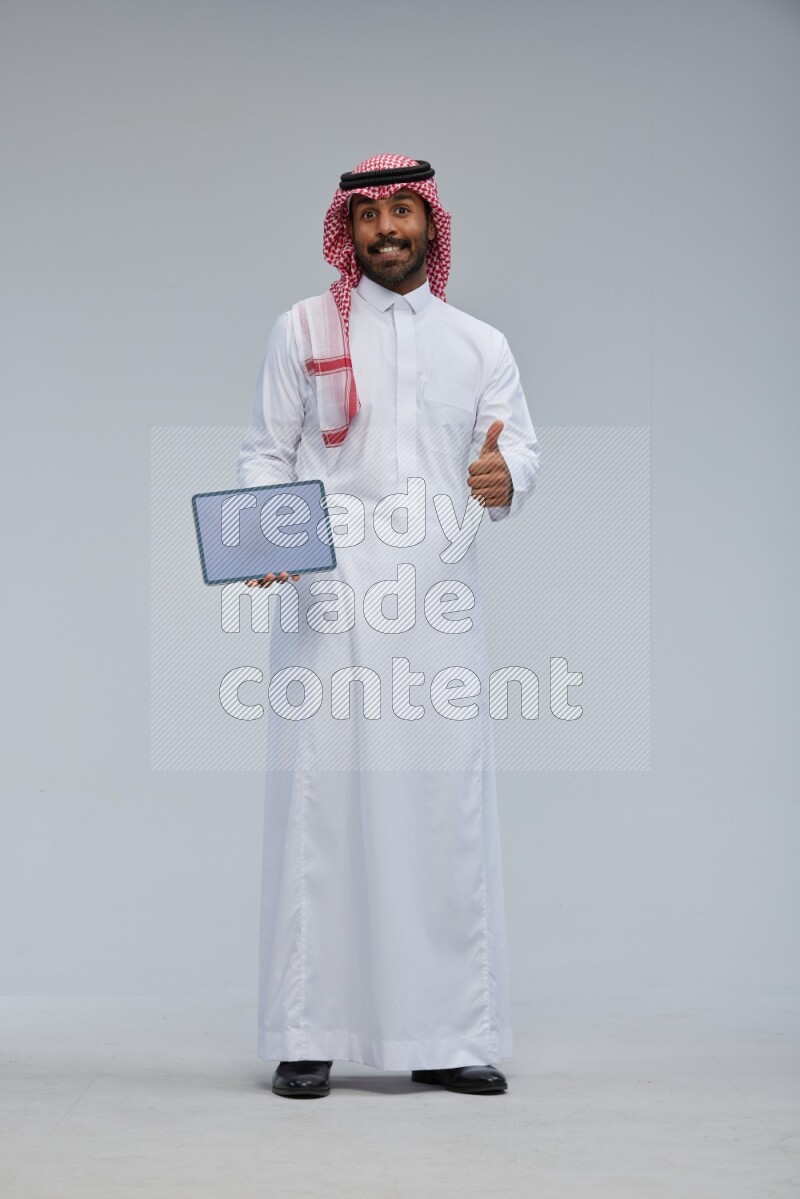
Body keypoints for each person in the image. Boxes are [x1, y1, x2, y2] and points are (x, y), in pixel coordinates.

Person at [236, 154, 540, 1098]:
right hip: (330, 600)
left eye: (403, 211)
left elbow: (516, 443)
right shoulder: (303, 328)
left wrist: (507, 478)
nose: (387, 231)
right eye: (369, 217)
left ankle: (446, 1035)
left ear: (431, 223)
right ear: (348, 229)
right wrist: (268, 540)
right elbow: (264, 452)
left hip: (438, 604)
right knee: (325, 812)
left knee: (440, 812)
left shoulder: (480, 344)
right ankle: (308, 1029)